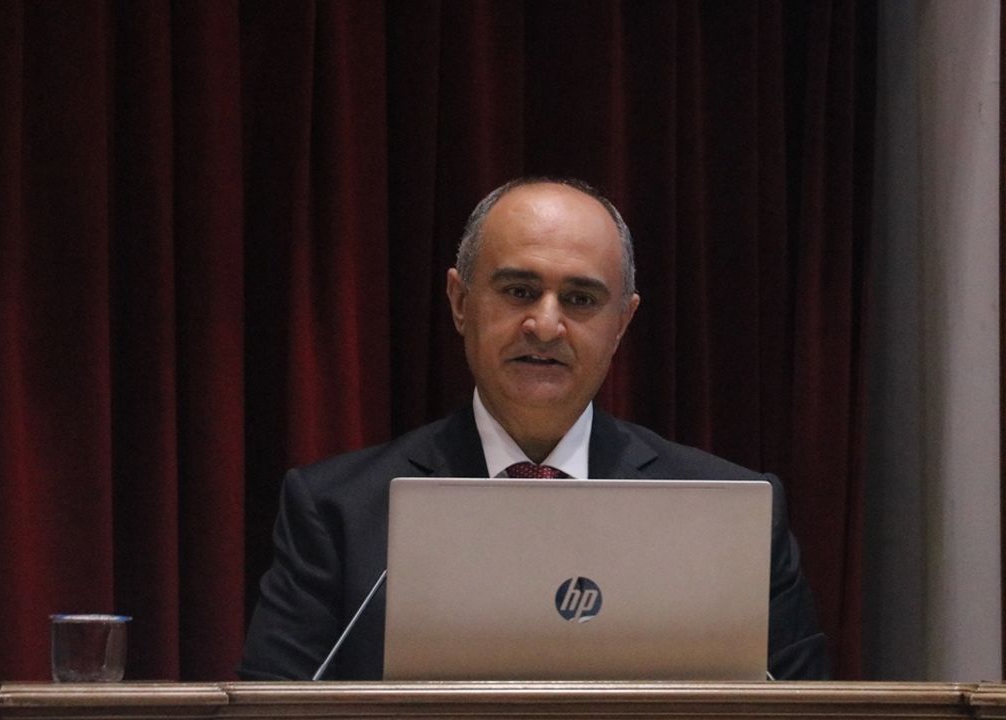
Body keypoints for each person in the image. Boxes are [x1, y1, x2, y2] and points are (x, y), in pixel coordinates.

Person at [238, 177, 828, 680]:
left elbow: (807, 711)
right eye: (519, 291)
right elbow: (275, 707)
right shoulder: (338, 511)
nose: (545, 326)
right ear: (460, 301)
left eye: (581, 299)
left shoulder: (730, 514)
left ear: (622, 323)